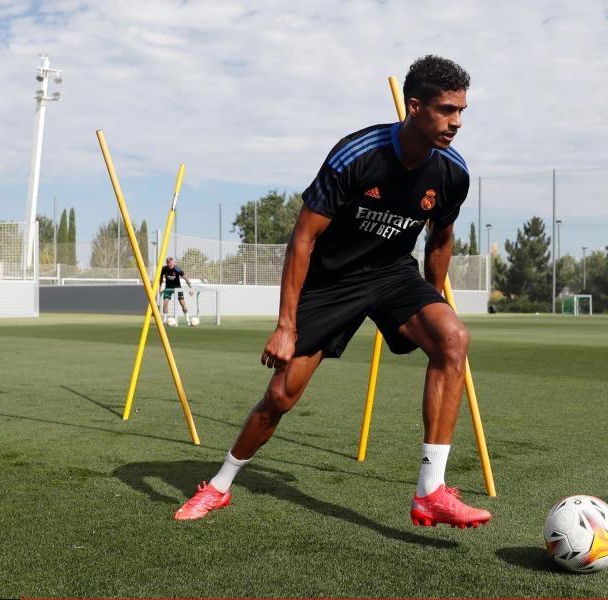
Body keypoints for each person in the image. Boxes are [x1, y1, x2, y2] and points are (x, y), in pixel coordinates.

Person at [175, 55, 491, 528]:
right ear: (414, 106)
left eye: (462, 111)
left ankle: (430, 492)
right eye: (447, 110)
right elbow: (303, 237)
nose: (457, 122)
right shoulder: (357, 154)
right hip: (331, 281)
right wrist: (285, 325)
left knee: (454, 338)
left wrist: (432, 304)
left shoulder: (452, 172)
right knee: (280, 397)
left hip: (391, 275)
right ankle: (219, 485)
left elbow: (440, 240)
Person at [159, 257, 194, 325]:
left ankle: (188, 319)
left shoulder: (177, 269)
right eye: (169, 263)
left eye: (172, 263)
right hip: (168, 288)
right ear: (167, 263)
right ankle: (165, 320)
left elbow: (185, 278)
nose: (171, 264)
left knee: (182, 303)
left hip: (177, 288)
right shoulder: (164, 269)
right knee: (165, 304)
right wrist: (160, 287)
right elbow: (160, 278)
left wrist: (190, 288)